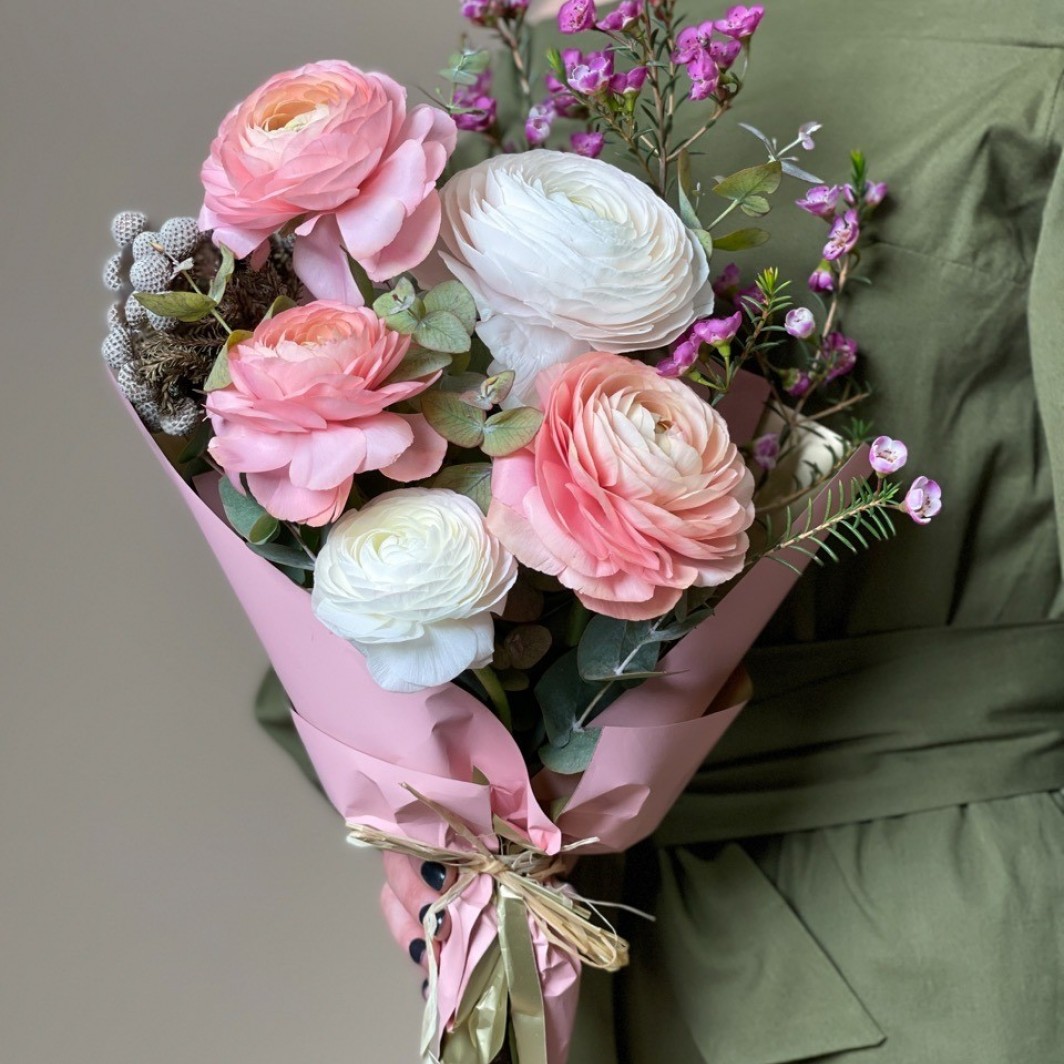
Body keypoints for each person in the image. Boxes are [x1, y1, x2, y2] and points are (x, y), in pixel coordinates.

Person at [262, 1, 1064, 1059]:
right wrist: (442, 838)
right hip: (589, 915)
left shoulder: (1022, 54)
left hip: (923, 918)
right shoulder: (558, 37)